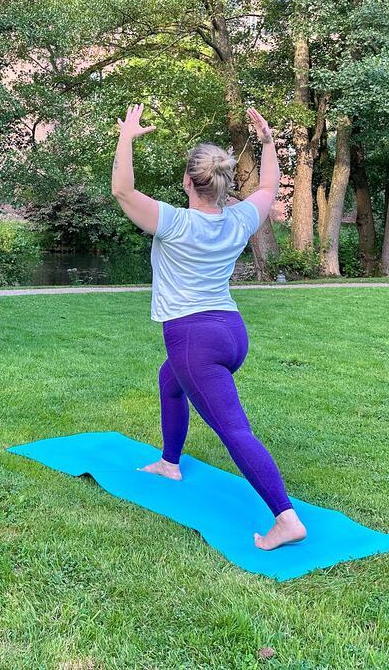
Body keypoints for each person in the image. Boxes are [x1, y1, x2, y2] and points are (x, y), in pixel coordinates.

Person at [110, 103, 306, 550]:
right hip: (231, 332)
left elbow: (123, 191)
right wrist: (269, 143)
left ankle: (285, 517)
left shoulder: (174, 222)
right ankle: (169, 462)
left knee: (234, 430)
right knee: (169, 381)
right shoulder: (239, 219)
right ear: (224, 184)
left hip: (194, 340)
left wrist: (126, 136)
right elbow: (272, 186)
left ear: (187, 181)